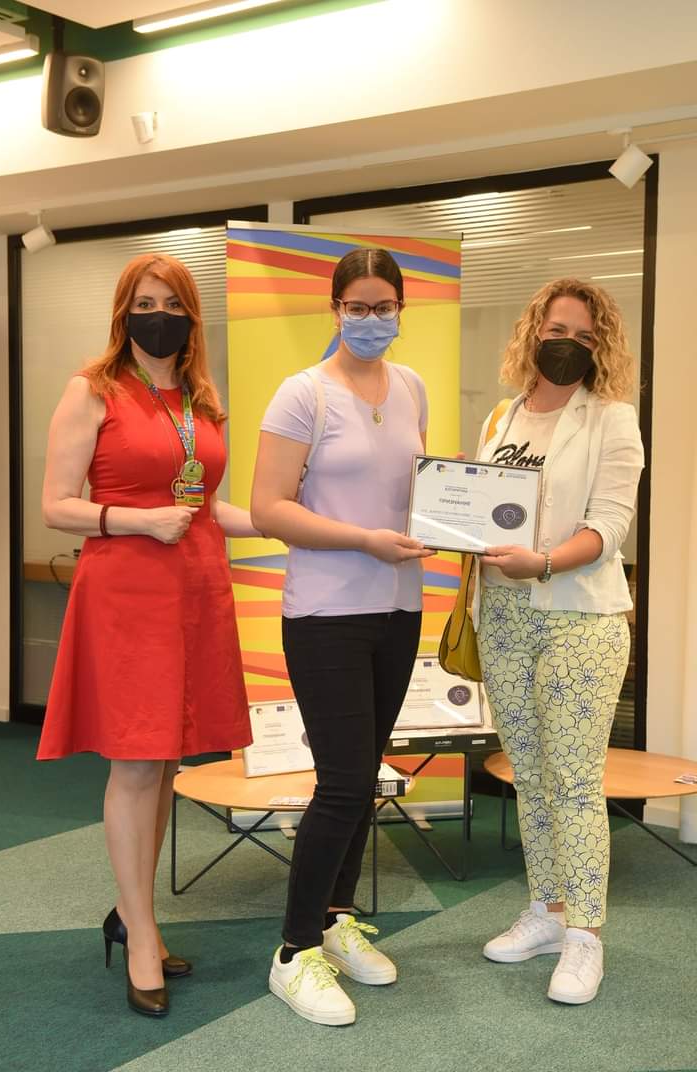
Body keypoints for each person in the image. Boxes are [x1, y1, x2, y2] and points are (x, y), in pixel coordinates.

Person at [37, 252, 258, 1018]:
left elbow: (207, 506)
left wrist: (290, 524)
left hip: (195, 590)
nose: (157, 315)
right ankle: (139, 933)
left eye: (171, 303)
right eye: (144, 302)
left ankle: (134, 914)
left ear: (192, 316)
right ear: (123, 312)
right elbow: (56, 505)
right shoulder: (92, 389)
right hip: (127, 595)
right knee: (136, 764)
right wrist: (136, 519)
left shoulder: (202, 399)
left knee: (164, 763)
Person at [251, 248, 433, 1026]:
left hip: (399, 608)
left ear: (401, 309)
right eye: (356, 307)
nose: (370, 319)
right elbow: (268, 507)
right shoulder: (303, 394)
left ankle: (335, 919)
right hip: (326, 614)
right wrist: (363, 540)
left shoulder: (412, 386)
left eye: (383, 306)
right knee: (345, 782)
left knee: (366, 779)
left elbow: (417, 490)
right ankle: (294, 953)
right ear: (334, 309)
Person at [474, 278, 644, 1005]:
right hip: (504, 618)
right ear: (532, 332)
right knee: (530, 774)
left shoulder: (613, 419)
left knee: (574, 780)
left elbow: (610, 526)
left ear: (599, 346)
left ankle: (585, 936)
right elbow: (478, 507)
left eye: (582, 335)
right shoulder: (502, 417)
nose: (566, 343)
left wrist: (541, 561)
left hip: (581, 618)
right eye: (555, 329)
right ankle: (546, 910)